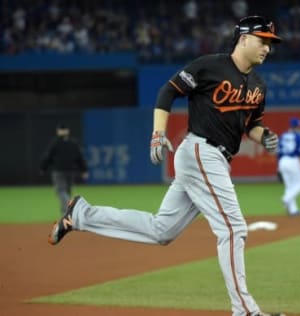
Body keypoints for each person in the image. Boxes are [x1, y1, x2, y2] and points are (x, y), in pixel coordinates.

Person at [48, 16, 286, 316]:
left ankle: (81, 214)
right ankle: (246, 312)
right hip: (201, 150)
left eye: (270, 42)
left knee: (162, 231)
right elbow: (168, 91)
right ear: (243, 39)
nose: (268, 47)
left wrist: (262, 135)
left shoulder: (258, 85)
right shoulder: (210, 66)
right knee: (234, 228)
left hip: (217, 159)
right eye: (263, 40)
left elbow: (251, 124)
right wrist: (158, 133)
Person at [40, 124, 89, 215]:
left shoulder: (55, 143)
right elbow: (80, 158)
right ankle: (66, 213)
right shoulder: (73, 143)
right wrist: (84, 170)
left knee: (61, 191)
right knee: (66, 191)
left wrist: (43, 167)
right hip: (70, 171)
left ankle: (68, 207)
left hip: (59, 171)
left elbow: (48, 157)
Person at [277, 117, 300, 216]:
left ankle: (293, 210)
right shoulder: (298, 137)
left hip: (282, 161)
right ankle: (286, 198)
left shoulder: (283, 136)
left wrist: (278, 166)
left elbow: (278, 152)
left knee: (290, 187)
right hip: (293, 160)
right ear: (297, 126)